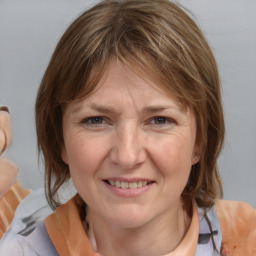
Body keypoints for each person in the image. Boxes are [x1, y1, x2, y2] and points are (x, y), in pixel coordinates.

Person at [0, 0, 255, 255]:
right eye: (96, 120)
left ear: (199, 140)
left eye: (159, 120)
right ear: (60, 139)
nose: (127, 156)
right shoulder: (13, 238)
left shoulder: (246, 239)